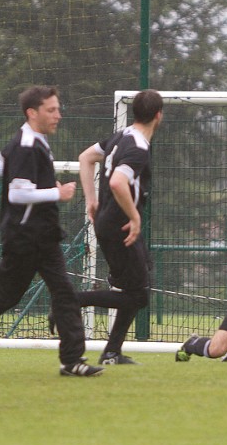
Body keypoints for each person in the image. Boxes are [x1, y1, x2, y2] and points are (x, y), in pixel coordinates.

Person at [0, 85, 103, 377]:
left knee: (63, 293)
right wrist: (57, 194)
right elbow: (17, 194)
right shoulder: (27, 145)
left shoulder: (29, 140)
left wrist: (42, 186)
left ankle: (72, 360)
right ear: (32, 112)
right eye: (51, 110)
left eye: (58, 109)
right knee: (6, 294)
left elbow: (1, 165)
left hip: (41, 234)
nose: (58, 115)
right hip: (26, 237)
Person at [70, 89, 163, 365]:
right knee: (139, 296)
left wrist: (91, 200)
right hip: (120, 226)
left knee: (138, 281)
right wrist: (134, 218)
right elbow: (117, 183)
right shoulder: (138, 148)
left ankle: (112, 352)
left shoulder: (120, 136)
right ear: (159, 116)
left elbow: (85, 157)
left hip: (110, 222)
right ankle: (73, 300)